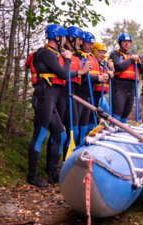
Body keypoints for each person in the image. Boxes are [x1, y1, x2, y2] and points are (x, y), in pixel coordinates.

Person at [29, 24, 77, 187]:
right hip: (44, 96)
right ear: (57, 37)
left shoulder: (53, 54)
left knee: (60, 134)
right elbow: (63, 73)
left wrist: (78, 70)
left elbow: (61, 73)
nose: (64, 41)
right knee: (40, 134)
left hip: (50, 97)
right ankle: (32, 175)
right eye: (63, 37)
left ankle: (53, 173)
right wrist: (68, 58)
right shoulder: (46, 53)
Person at [61, 26, 91, 158]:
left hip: (73, 93)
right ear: (71, 39)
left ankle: (67, 160)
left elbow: (82, 79)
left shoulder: (76, 56)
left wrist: (84, 71)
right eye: (79, 39)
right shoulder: (62, 53)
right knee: (62, 133)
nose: (81, 42)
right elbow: (61, 72)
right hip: (61, 93)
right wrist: (81, 71)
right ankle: (54, 167)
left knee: (75, 131)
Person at [75, 31, 108, 144]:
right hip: (79, 97)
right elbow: (82, 79)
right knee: (76, 130)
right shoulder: (78, 57)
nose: (89, 46)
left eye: (91, 44)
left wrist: (104, 76)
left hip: (89, 98)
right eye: (87, 43)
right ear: (82, 43)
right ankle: (69, 154)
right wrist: (98, 79)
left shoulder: (91, 58)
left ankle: (83, 148)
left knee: (84, 128)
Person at [109, 33, 143, 123]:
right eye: (124, 42)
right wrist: (131, 59)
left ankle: (121, 135)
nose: (127, 44)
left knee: (124, 118)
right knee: (117, 118)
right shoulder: (115, 55)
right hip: (119, 87)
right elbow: (120, 67)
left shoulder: (132, 57)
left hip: (131, 89)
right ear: (120, 43)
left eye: (128, 42)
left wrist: (139, 62)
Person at [91, 42, 114, 108]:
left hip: (100, 96)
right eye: (100, 52)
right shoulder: (91, 63)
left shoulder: (103, 65)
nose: (103, 55)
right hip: (92, 95)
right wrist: (108, 75)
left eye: (104, 53)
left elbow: (110, 75)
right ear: (94, 51)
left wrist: (112, 70)